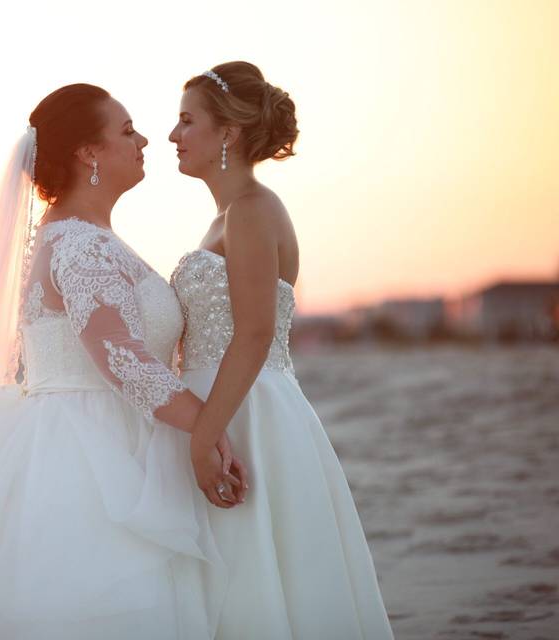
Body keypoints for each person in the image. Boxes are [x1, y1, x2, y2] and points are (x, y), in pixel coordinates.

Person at [0, 83, 242, 640]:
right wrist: (211, 428)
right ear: (88, 153)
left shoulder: (88, 237)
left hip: (102, 441)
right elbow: (126, 362)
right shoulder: (78, 246)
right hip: (87, 461)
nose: (144, 139)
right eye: (126, 130)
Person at [168, 62, 395, 639]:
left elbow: (253, 334)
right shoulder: (227, 215)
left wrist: (202, 440)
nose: (173, 135)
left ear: (229, 133)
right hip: (224, 407)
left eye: (186, 120)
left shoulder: (251, 210)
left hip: (248, 417)